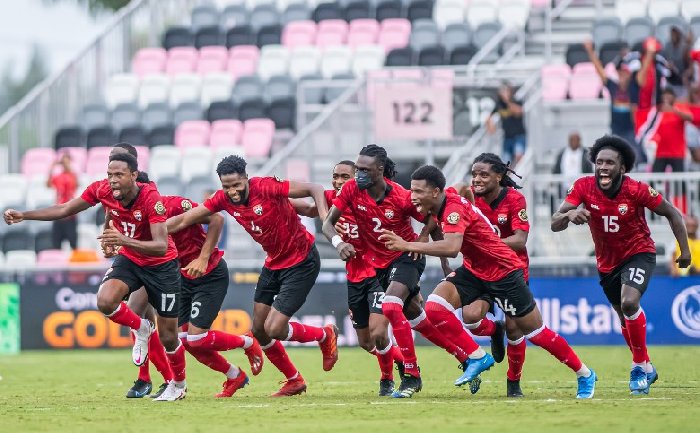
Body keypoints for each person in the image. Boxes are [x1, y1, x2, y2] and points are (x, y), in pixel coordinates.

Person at [380, 164, 599, 399]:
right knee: (435, 307)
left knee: (535, 333)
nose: (413, 197)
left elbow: (452, 248)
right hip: (475, 270)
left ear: (435, 192)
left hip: (503, 272)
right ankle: (477, 356)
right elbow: (462, 191)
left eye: (418, 192)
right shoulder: (443, 200)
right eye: (411, 191)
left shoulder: (453, 209)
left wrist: (407, 244)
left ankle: (584, 373)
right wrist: (424, 232)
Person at [4, 153, 187, 401]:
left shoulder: (151, 199)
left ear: (134, 175)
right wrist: (25, 215)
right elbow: (66, 208)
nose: (112, 180)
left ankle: (178, 384)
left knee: (168, 335)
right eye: (110, 174)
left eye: (119, 174)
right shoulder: (102, 190)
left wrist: (122, 240)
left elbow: (160, 245)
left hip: (161, 266)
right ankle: (143, 332)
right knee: (105, 301)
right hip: (131, 258)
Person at [323, 145, 488, 399]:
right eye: (358, 170)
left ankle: (410, 375)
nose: (359, 176)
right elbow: (327, 223)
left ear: (380, 171)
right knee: (417, 320)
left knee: (390, 308)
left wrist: (427, 243)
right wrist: (338, 243)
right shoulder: (351, 190)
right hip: (376, 265)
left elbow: (434, 213)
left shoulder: (401, 196)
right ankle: (466, 357)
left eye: (364, 170)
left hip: (406, 257)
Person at [166, 155, 337, 397]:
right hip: (273, 262)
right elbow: (185, 218)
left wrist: (325, 219)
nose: (232, 191)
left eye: (236, 185)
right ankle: (294, 379)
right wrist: (153, 231)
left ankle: (324, 335)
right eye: (227, 187)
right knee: (259, 329)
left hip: (302, 260)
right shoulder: (223, 199)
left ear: (246, 178)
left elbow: (314, 188)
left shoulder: (266, 186)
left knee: (275, 328)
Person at [552, 134, 690, 395]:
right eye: (599, 162)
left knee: (629, 303)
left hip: (639, 253)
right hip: (607, 263)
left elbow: (671, 212)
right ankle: (647, 366)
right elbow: (554, 222)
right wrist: (569, 214)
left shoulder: (636, 189)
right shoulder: (582, 186)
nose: (603, 167)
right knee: (623, 317)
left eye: (610, 163)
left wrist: (684, 250)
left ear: (622, 168)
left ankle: (638, 366)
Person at [323, 160, 404, 396]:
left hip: (378, 273)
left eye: (344, 177)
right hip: (355, 276)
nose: (338, 181)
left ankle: (388, 379)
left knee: (379, 333)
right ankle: (402, 360)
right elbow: (312, 195)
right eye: (335, 176)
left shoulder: (367, 197)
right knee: (367, 342)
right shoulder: (333, 200)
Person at [453, 153, 531, 398]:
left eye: (484, 174)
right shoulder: (469, 200)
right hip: (479, 270)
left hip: (510, 270)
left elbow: (519, 240)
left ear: (499, 176)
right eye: (474, 174)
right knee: (470, 317)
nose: (477, 179)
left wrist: (486, 244)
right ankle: (493, 331)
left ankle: (513, 382)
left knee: (515, 329)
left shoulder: (515, 200)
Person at [583, 39, 641, 161]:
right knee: (615, 158)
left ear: (629, 74)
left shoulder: (634, 86)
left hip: (631, 129)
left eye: (625, 73)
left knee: (635, 158)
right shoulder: (613, 86)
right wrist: (590, 52)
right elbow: (600, 71)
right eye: (620, 73)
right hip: (616, 129)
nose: (622, 76)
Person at [649, 87, 694, 173]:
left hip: (677, 152)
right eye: (664, 94)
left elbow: (690, 117)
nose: (666, 97)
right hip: (661, 152)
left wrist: (673, 110)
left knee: (680, 181)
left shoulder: (679, 107)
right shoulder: (658, 110)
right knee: (654, 179)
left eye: (669, 94)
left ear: (673, 97)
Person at [486, 82, 526, 166]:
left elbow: (519, 112)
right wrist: (491, 127)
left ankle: (518, 174)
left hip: (518, 135)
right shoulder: (499, 105)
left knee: (519, 156)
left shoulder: (516, 101)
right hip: (507, 136)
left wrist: (508, 102)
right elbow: (489, 117)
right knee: (506, 162)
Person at [47, 151, 78, 249]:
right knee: (56, 244)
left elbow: (76, 184)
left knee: (73, 244)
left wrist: (67, 165)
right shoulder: (58, 176)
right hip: (58, 214)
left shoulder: (72, 175)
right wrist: (52, 168)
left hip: (70, 215)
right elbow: (48, 184)